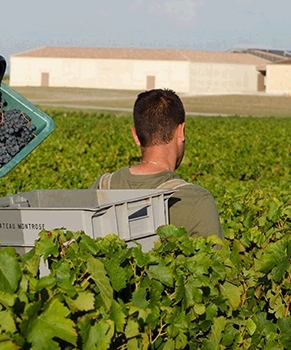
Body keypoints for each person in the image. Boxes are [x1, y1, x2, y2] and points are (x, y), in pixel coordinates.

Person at [90, 88, 224, 239]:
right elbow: (215, 260)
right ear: (181, 131)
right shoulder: (197, 201)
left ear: (135, 135)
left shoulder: (101, 187)